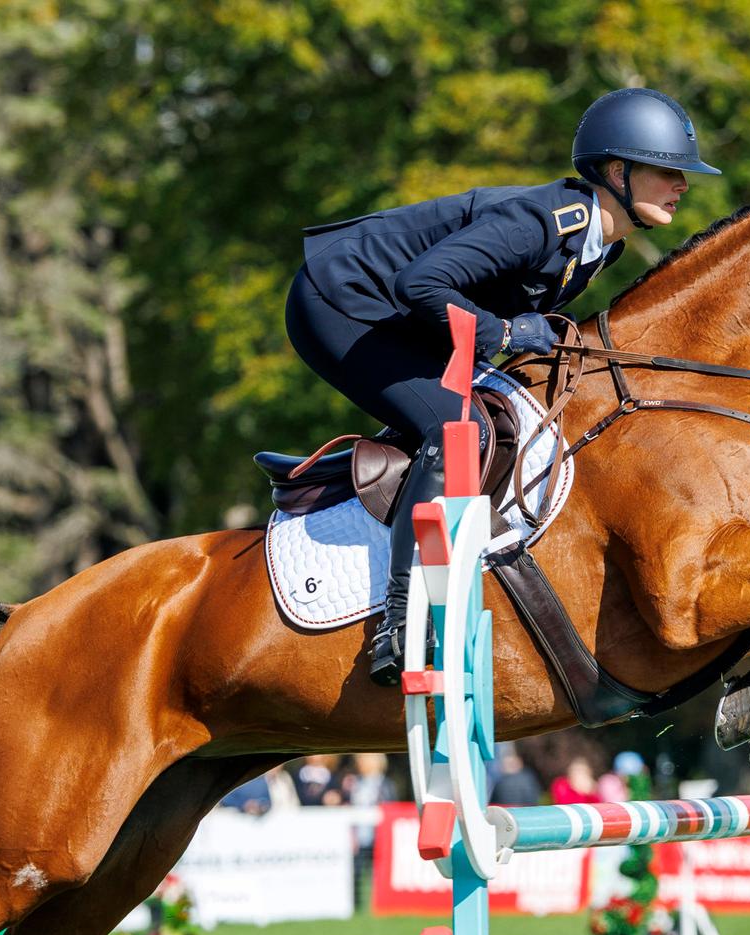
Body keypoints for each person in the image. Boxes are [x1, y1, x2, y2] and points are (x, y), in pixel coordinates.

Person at [286, 88, 720, 684]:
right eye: (668, 171)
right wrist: (509, 331)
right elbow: (421, 285)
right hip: (342, 301)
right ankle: (402, 617)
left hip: (403, 312)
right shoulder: (540, 223)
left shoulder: (603, 245)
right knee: (457, 425)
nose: (683, 185)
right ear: (618, 171)